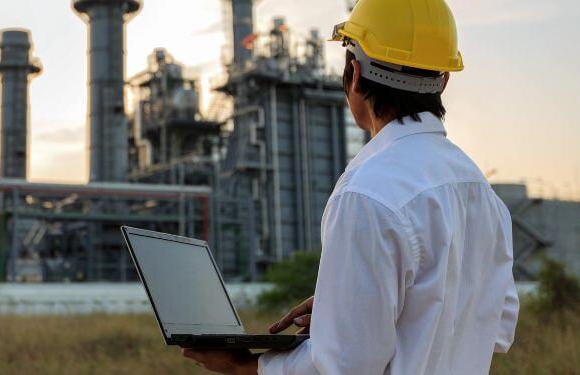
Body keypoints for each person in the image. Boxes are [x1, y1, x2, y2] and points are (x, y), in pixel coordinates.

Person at [182, 0, 519, 373]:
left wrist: (244, 367)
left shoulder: (365, 194)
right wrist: (349, 304)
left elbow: (341, 366)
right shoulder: (478, 189)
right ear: (444, 80)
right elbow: (498, 328)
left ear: (355, 75)